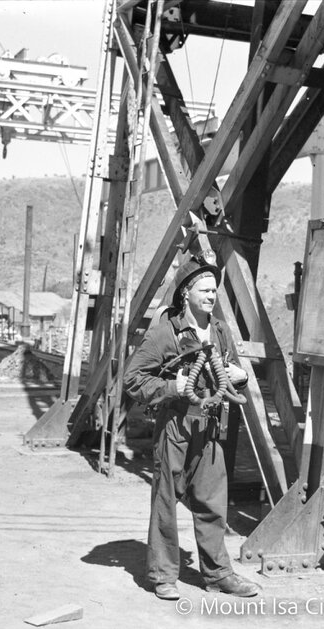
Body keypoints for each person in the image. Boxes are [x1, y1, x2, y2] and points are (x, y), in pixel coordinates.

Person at [123, 250, 260, 601]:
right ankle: (163, 575)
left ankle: (218, 574)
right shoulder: (165, 334)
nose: (212, 296)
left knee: (213, 502)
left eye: (215, 291)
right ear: (186, 293)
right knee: (166, 500)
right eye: (205, 290)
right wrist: (171, 387)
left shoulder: (219, 331)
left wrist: (240, 377)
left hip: (210, 427)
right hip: (175, 426)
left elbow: (230, 372)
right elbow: (133, 378)